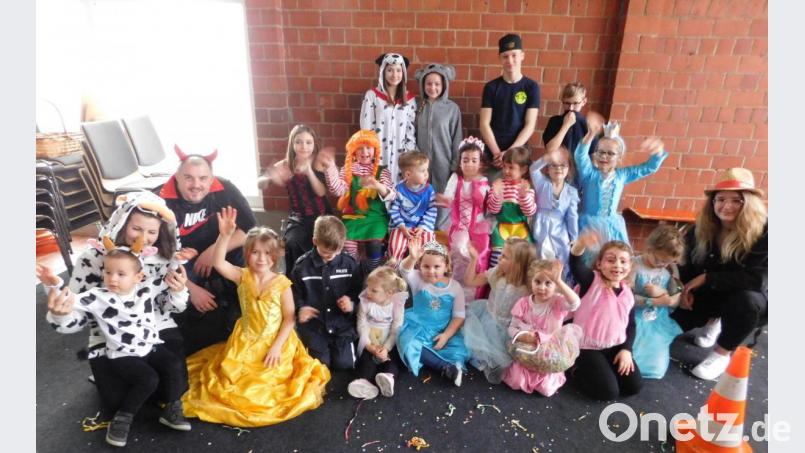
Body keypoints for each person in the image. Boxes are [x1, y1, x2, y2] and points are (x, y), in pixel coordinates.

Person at [182, 207, 330, 427]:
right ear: (247, 253)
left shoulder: (281, 284)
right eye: (255, 252)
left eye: (267, 253)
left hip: (275, 341)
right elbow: (218, 263)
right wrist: (224, 236)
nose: (261, 258)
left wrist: (276, 347)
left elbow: (289, 319)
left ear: (276, 255)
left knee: (266, 383)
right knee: (231, 381)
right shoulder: (242, 276)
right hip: (246, 339)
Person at [39, 239, 190, 447]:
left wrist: (176, 261)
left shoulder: (146, 289)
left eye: (121, 274)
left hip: (149, 346)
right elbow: (69, 300)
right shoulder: (98, 297)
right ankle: (122, 419)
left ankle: (172, 408)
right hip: (122, 354)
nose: (112, 279)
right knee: (148, 379)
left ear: (138, 277)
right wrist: (53, 284)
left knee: (172, 364)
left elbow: (167, 278)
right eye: (108, 272)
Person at [64, 191, 193, 416]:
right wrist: (61, 313)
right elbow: (75, 315)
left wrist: (179, 291)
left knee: (171, 390)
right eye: (136, 228)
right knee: (116, 401)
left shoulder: (164, 257)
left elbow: (172, 307)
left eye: (152, 231)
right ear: (122, 224)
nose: (143, 237)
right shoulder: (93, 258)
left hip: (155, 328)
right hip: (110, 336)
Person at [158, 146, 257, 354]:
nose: (196, 185)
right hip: (179, 264)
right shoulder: (160, 201)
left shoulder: (225, 189)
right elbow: (153, 258)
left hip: (220, 248)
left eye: (203, 178)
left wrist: (214, 251)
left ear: (212, 178)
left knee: (248, 263)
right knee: (186, 305)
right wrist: (189, 288)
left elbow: (250, 231)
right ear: (176, 177)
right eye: (189, 178)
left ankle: (241, 312)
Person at [671, 168, 768, 381]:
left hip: (748, 297)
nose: (726, 206)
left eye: (736, 200)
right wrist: (683, 289)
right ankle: (712, 322)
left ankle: (723, 352)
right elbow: (687, 264)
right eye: (720, 199)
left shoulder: (765, 232)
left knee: (745, 302)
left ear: (749, 203)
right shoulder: (701, 228)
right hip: (712, 292)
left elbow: (757, 279)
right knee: (675, 319)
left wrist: (708, 278)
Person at [574, 115, 668, 262]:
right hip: (589, 225)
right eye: (601, 152)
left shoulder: (622, 175)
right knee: (590, 260)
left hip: (613, 226)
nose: (604, 156)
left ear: (619, 157)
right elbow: (580, 156)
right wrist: (590, 134)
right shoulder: (589, 174)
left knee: (612, 258)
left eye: (610, 153)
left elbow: (648, 168)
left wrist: (658, 152)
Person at [569, 232, 642, 400]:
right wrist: (580, 244)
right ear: (599, 264)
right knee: (608, 393)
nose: (617, 265)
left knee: (634, 386)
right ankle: (577, 369)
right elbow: (576, 264)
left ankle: (603, 369)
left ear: (629, 266)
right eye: (611, 260)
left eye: (623, 261)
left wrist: (626, 350)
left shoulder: (628, 292)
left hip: (614, 346)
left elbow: (630, 325)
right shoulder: (591, 281)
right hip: (587, 348)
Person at [291, 215, 364, 370]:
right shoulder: (301, 267)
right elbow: (293, 294)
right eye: (325, 252)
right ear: (315, 242)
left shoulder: (350, 264)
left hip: (341, 325)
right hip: (315, 326)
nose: (331, 255)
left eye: (337, 251)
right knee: (321, 366)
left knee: (345, 365)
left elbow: (358, 290)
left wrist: (351, 303)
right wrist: (300, 309)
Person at [257, 124, 332, 276]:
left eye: (308, 142)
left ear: (314, 144)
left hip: (322, 216)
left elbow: (321, 192)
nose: (303, 146)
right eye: (298, 142)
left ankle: (320, 278)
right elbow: (261, 182)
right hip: (299, 218)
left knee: (324, 243)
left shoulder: (318, 163)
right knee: (292, 242)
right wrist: (271, 177)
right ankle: (296, 280)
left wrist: (309, 171)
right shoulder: (285, 164)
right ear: (292, 144)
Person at [502, 260, 582, 397]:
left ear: (555, 285)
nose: (542, 287)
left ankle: (546, 376)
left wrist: (559, 282)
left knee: (546, 389)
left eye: (548, 283)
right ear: (531, 281)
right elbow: (512, 328)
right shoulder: (523, 303)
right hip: (528, 348)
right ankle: (525, 372)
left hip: (550, 349)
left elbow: (575, 303)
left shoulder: (558, 302)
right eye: (537, 282)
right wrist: (521, 335)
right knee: (515, 381)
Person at [397, 237, 469, 387]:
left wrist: (446, 335)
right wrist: (412, 257)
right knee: (407, 343)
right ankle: (444, 367)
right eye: (426, 266)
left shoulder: (455, 287)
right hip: (417, 326)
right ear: (420, 266)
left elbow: (459, 316)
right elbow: (403, 270)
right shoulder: (417, 278)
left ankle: (436, 359)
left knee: (459, 350)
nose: (431, 271)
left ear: (446, 266)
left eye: (437, 266)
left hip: (443, 329)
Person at [462, 238, 536, 383]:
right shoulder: (496, 273)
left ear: (518, 264)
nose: (499, 258)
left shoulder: (528, 286)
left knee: (504, 359)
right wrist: (474, 260)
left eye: (504, 256)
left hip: (508, 328)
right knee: (471, 338)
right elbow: (469, 281)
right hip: (487, 317)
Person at [323, 129, 395, 273]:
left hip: (376, 217)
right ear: (353, 151)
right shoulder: (347, 170)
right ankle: (355, 269)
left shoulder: (383, 171)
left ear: (375, 150)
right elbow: (338, 190)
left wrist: (377, 185)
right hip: (353, 216)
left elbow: (392, 195)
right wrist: (330, 169)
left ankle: (372, 272)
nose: (364, 152)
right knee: (347, 243)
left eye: (368, 147)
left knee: (374, 243)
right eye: (360, 148)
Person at [438, 137, 492, 300]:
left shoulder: (483, 181)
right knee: (460, 250)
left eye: (474, 160)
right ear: (460, 162)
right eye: (465, 160)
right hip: (460, 224)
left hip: (477, 225)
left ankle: (471, 294)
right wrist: (446, 200)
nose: (469, 164)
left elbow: (485, 204)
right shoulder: (456, 178)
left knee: (478, 254)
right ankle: (455, 288)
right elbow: (448, 196)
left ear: (480, 163)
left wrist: (480, 187)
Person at [629, 225, 685, 379]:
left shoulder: (669, 270)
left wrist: (663, 294)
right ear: (649, 248)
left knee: (656, 364)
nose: (662, 265)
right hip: (634, 317)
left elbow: (674, 300)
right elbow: (625, 298)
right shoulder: (634, 266)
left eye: (667, 262)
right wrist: (651, 301)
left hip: (657, 320)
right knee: (633, 353)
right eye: (659, 260)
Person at [479, 33, 540, 173]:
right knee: (493, 192)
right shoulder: (491, 87)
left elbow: (530, 125)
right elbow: (484, 124)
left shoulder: (531, 87)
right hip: (493, 154)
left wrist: (510, 152)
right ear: (499, 58)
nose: (510, 60)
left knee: (516, 194)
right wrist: (497, 153)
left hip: (518, 154)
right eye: (505, 56)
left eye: (514, 55)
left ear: (522, 56)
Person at [348, 266, 408, 400]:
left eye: (374, 290)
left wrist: (386, 348)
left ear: (389, 293)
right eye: (368, 287)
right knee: (366, 358)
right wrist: (369, 345)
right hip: (369, 338)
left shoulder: (396, 305)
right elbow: (361, 325)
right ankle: (364, 381)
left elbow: (396, 329)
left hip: (389, 339)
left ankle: (388, 377)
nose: (368, 292)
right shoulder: (365, 303)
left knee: (393, 358)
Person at [414, 63, 462, 228]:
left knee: (442, 198)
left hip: (444, 164)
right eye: (429, 83)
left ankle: (440, 231)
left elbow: (457, 138)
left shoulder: (452, 109)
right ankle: (424, 230)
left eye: (437, 84)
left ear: (444, 85)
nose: (433, 87)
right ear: (423, 85)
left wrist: (455, 165)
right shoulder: (417, 108)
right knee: (423, 196)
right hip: (421, 166)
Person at [360, 52, 417, 185]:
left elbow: (411, 131)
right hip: (378, 155)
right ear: (383, 72)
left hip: (401, 157)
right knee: (378, 192)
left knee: (399, 195)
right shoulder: (372, 96)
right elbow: (366, 128)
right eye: (390, 70)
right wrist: (370, 154)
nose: (394, 74)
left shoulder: (409, 100)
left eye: (398, 70)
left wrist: (408, 156)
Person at [529, 146, 579, 282]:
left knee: (562, 254)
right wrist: (546, 158)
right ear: (548, 168)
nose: (559, 169)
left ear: (569, 169)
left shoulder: (571, 192)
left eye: (563, 166)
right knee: (539, 255)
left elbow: (572, 217)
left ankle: (559, 285)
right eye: (554, 165)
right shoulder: (541, 183)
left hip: (559, 229)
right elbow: (533, 169)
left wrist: (574, 237)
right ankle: (538, 283)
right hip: (540, 225)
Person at [487, 146, 536, 268]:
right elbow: (493, 210)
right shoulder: (498, 184)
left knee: (521, 263)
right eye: (504, 166)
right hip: (501, 230)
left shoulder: (526, 186)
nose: (506, 171)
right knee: (496, 262)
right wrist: (497, 195)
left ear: (524, 169)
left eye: (511, 167)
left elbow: (530, 212)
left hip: (521, 231)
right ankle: (495, 284)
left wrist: (523, 196)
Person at [387, 151, 438, 265]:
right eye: (422, 171)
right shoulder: (399, 189)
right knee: (396, 243)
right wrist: (403, 227)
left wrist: (422, 227)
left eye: (426, 170)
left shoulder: (429, 190)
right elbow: (394, 210)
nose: (426, 174)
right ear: (408, 175)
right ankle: (394, 265)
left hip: (421, 226)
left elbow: (432, 209)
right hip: (403, 226)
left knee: (429, 244)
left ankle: (424, 267)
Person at [542, 82, 599, 182]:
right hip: (557, 173)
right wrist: (565, 126)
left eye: (575, 103)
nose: (571, 108)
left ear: (583, 101)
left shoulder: (587, 125)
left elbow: (593, 156)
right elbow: (551, 148)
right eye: (567, 103)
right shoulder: (554, 121)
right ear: (562, 101)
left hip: (579, 176)